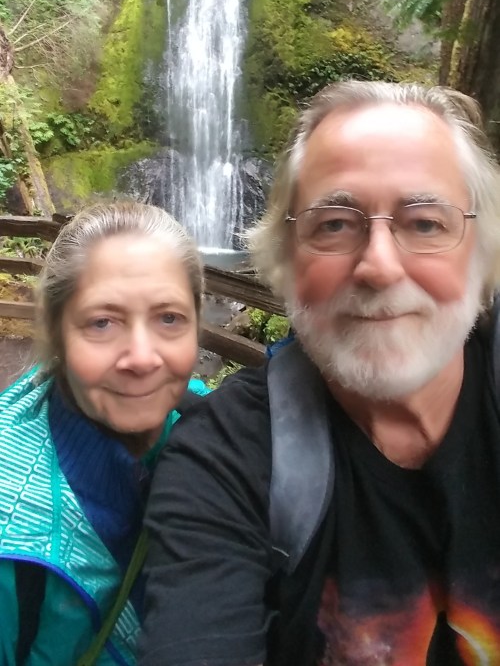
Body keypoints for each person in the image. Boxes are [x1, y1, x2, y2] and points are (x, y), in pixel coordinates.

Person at [139, 80, 500, 666]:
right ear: (285, 258)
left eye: (425, 223)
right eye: (334, 224)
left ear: (482, 252)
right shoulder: (225, 460)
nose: (379, 266)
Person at [0, 200, 206, 666]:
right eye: (102, 322)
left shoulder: (211, 425)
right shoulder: (11, 540)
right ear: (56, 331)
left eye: (169, 318)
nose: (142, 358)